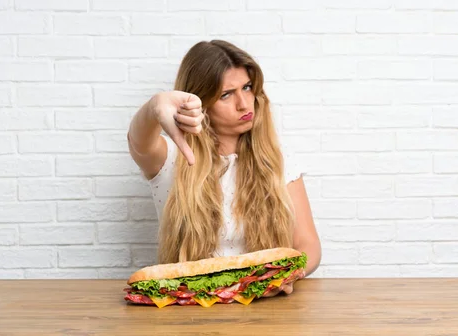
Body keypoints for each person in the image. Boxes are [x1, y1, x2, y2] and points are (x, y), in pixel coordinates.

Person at [127, 40, 321, 295]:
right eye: (226, 95)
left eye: (248, 87)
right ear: (200, 103)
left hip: (264, 305)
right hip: (189, 308)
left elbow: (308, 245)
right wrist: (155, 106)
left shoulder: (278, 159)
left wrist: (287, 276)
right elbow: (138, 142)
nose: (244, 103)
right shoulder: (172, 157)